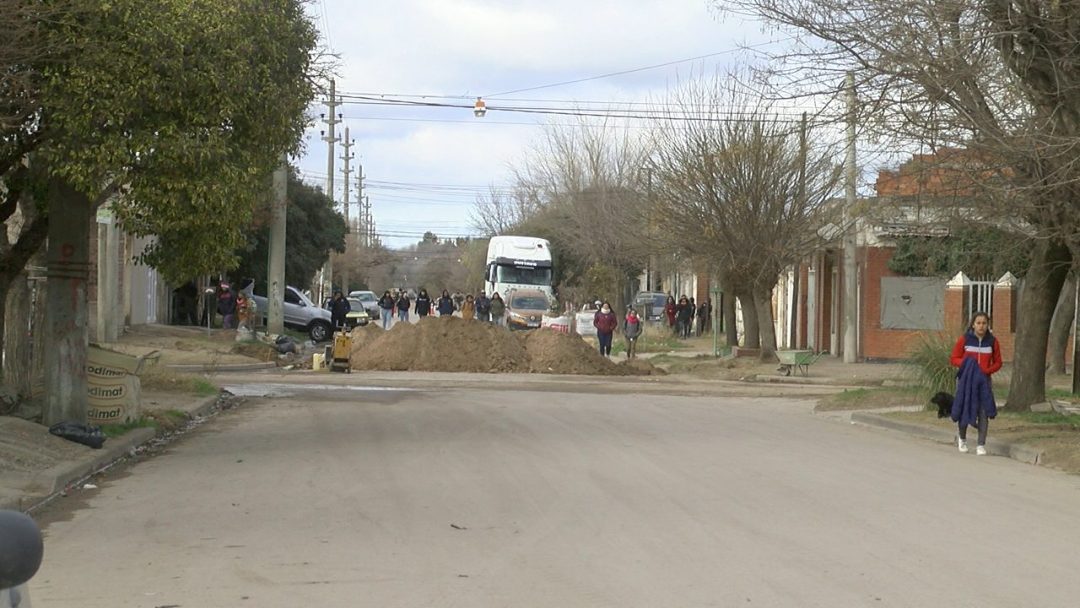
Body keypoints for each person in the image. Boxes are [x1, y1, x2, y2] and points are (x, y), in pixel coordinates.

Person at [949, 311, 1002, 455]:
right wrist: (968, 363)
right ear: (973, 324)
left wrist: (987, 370)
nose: (981, 326)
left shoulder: (992, 341)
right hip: (967, 380)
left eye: (984, 323)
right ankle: (962, 439)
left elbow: (998, 362)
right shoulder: (965, 339)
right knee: (965, 408)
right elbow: (954, 358)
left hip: (984, 381)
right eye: (978, 323)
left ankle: (981, 444)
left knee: (984, 411)